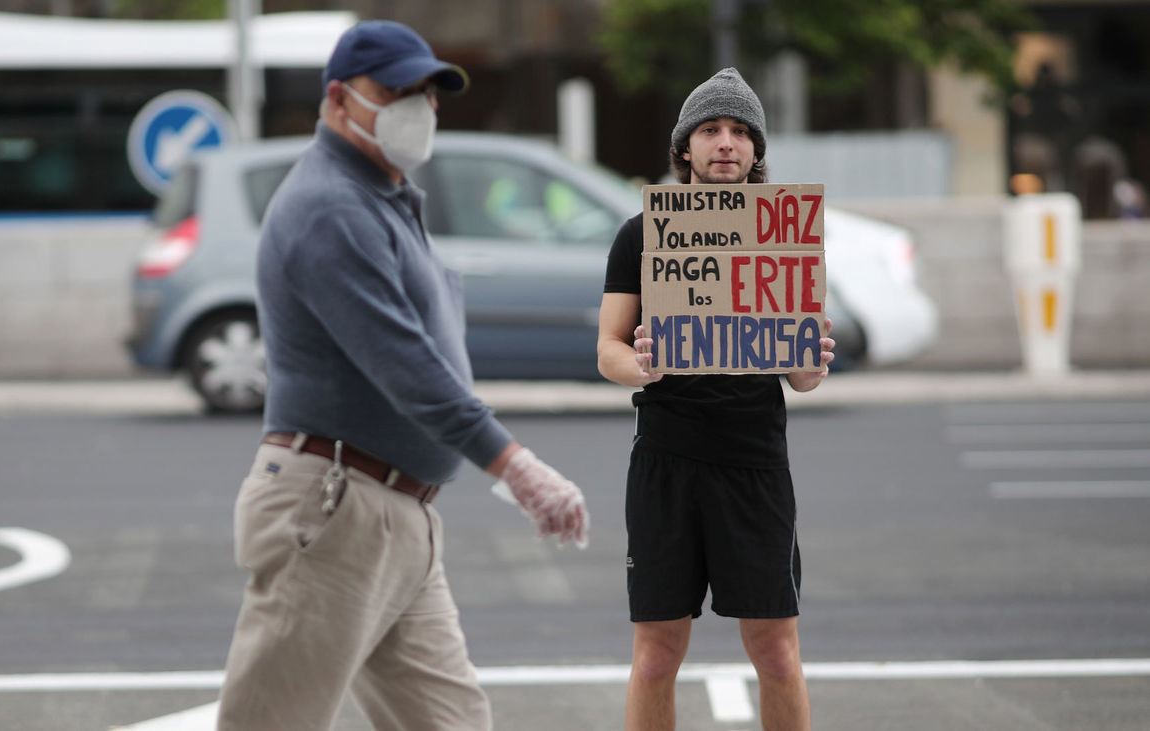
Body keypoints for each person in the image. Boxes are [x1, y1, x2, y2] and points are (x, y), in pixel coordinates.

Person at [216, 20, 589, 731]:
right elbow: (406, 365)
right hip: (333, 510)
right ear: (336, 101)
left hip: (392, 515)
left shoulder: (378, 195)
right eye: (393, 90)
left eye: (425, 91)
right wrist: (514, 465)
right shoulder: (330, 205)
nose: (415, 107)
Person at [596, 67, 835, 731]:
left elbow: (803, 374)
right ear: (684, 149)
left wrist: (812, 361)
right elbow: (607, 350)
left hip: (754, 460)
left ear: (757, 151)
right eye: (709, 130)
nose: (724, 143)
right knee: (654, 657)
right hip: (665, 461)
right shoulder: (641, 233)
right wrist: (640, 363)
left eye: (738, 131)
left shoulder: (782, 232)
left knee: (777, 653)